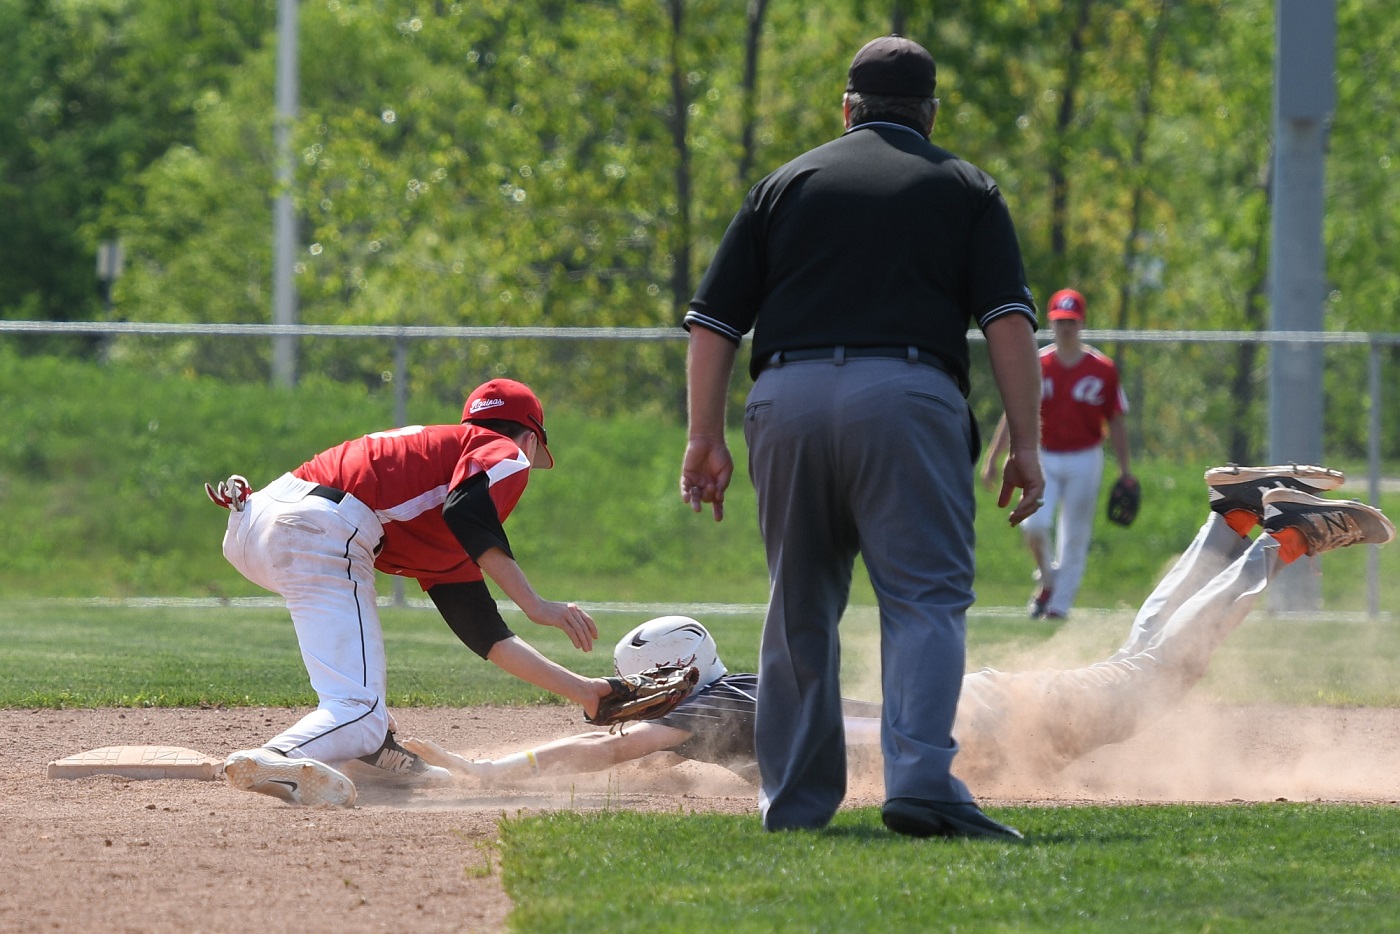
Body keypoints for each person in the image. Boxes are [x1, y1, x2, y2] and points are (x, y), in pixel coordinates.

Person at [406, 465, 1394, 799]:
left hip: (992, 723)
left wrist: (489, 772)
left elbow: (613, 751)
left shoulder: (707, 714)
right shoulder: (738, 693)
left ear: (672, 683)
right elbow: (650, 756)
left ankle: (1278, 541)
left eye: (647, 691)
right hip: (975, 703)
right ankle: (1224, 522)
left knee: (1153, 673)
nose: (646, 710)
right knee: (1135, 664)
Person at [678, 35, 1046, 840]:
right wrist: (1027, 442)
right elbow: (1010, 324)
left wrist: (703, 436)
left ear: (847, 109)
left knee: (800, 603)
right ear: (930, 113)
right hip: (907, 398)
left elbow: (712, 325)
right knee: (922, 601)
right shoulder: (965, 186)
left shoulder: (784, 184)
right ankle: (921, 784)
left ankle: (797, 803)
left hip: (786, 398)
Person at [206, 378, 620, 808]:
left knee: (362, 709)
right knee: (358, 708)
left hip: (258, 523)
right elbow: (467, 509)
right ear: (531, 439)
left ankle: (370, 754)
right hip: (317, 526)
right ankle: (276, 758)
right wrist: (536, 605)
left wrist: (585, 691)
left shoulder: (433, 475)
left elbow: (483, 630)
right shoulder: (502, 449)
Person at [980, 287, 1136, 621]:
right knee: (1033, 526)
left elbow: (1117, 421)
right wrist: (994, 456)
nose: (1066, 327)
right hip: (1044, 456)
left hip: (1085, 456)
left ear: (1081, 324)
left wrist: (1125, 469)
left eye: (1071, 321)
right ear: (1051, 323)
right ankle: (1048, 580)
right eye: (1060, 320)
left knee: (1074, 537)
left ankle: (1059, 607)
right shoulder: (1037, 364)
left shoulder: (1102, 369)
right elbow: (1013, 412)